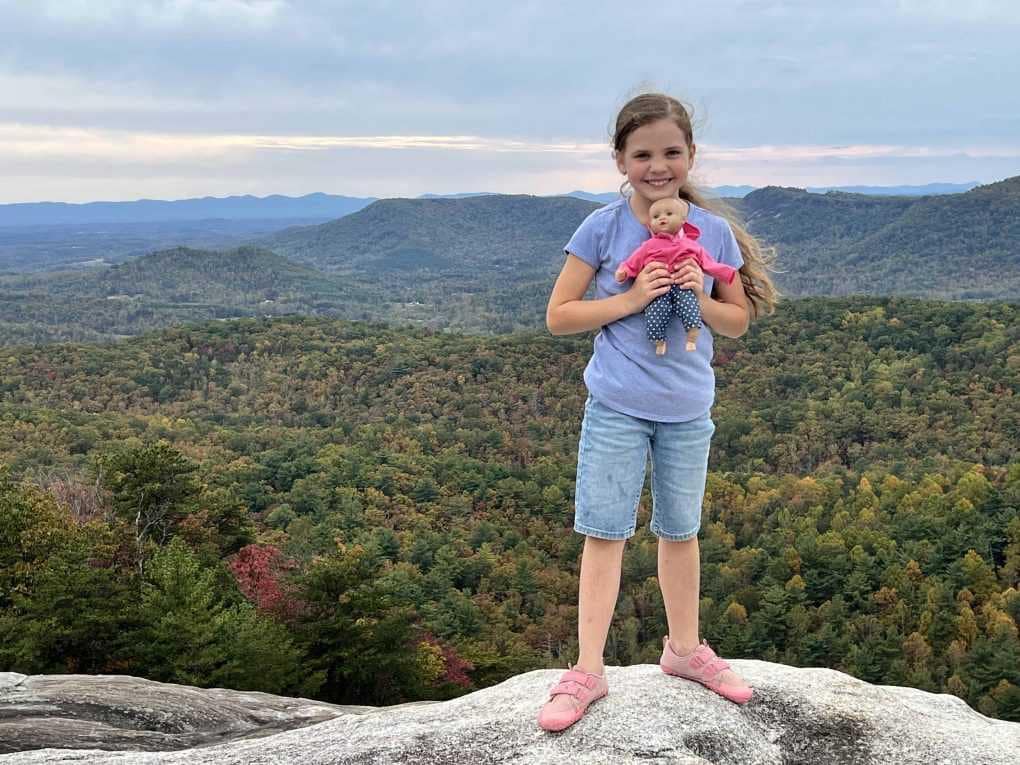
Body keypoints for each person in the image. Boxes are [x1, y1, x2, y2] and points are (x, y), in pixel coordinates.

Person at [538, 92, 779, 733]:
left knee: (680, 531)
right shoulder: (602, 227)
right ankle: (588, 668)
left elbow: (736, 321)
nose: (657, 165)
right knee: (605, 532)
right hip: (616, 403)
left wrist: (695, 293)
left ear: (690, 156)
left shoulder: (712, 233)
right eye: (642, 153)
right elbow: (560, 315)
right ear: (619, 158)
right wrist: (632, 297)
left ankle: (684, 650)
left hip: (687, 408)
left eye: (671, 152)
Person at [614, 197, 739, 354]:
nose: (662, 218)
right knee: (655, 311)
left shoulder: (690, 244)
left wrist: (726, 273)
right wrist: (624, 272)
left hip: (683, 285)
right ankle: (659, 341)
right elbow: (634, 261)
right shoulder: (649, 245)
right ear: (650, 224)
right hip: (658, 287)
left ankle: (692, 335)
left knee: (689, 305)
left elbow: (708, 263)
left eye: (668, 213)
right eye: (656, 216)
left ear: (683, 220)